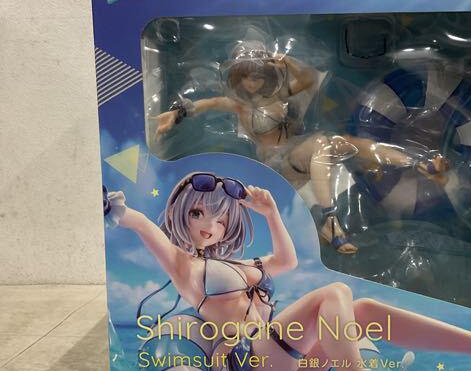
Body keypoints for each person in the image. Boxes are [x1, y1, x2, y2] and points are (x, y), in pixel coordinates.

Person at [104, 172, 471, 371]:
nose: (209, 224)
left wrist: (271, 212)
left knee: (364, 311)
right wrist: (116, 209)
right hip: (244, 368)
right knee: (335, 294)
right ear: (182, 213)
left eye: (220, 219)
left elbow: (287, 260)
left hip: (279, 363)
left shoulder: (240, 263)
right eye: (199, 213)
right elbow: (142, 223)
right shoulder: (184, 267)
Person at [151, 40, 448, 255]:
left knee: (343, 144)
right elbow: (205, 104)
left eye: (257, 75)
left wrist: (284, 60)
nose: (252, 83)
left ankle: (418, 163)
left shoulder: (282, 95)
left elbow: (308, 78)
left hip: (298, 152)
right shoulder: (239, 106)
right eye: (246, 77)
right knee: (320, 147)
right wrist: (175, 114)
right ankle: (328, 220)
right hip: (276, 165)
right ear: (237, 78)